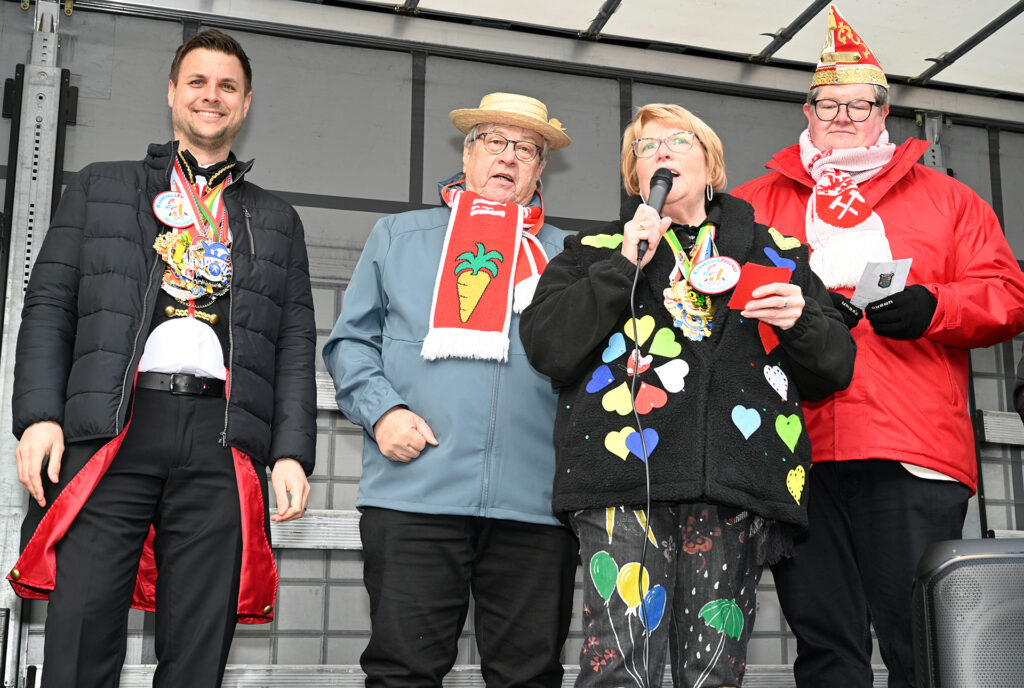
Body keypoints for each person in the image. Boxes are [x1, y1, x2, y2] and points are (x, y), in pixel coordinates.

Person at [7, 29, 316, 687]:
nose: (212, 95)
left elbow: (293, 344)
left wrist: (291, 451)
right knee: (80, 630)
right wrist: (38, 416)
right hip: (113, 429)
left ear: (246, 101)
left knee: (199, 646)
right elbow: (50, 309)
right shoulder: (100, 187)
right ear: (172, 93)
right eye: (197, 82)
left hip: (222, 437)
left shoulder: (276, 219)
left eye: (226, 85)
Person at [732, 6, 1024, 687]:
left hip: (910, 444)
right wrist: (796, 315)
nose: (840, 116)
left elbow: (1009, 296)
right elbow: (715, 310)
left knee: (923, 642)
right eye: (825, 103)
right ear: (805, 111)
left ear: (883, 111)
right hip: (790, 443)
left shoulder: (949, 200)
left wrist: (936, 306)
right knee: (825, 646)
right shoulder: (750, 204)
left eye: (857, 103)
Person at [520, 103, 856, 688]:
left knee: (713, 670)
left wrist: (802, 320)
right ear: (634, 176)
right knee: (618, 659)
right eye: (646, 148)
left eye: (680, 141)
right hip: (621, 480)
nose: (663, 153)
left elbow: (836, 367)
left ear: (711, 164)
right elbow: (549, 348)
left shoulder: (776, 252)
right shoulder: (592, 249)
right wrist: (624, 263)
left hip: (735, 484)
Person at [323, 92, 578, 687]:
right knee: (403, 672)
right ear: (467, 154)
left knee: (529, 676)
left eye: (526, 149)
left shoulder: (571, 256)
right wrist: (383, 413)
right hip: (415, 493)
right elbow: (349, 344)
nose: (509, 158)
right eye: (494, 142)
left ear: (541, 169)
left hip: (535, 503)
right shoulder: (398, 236)